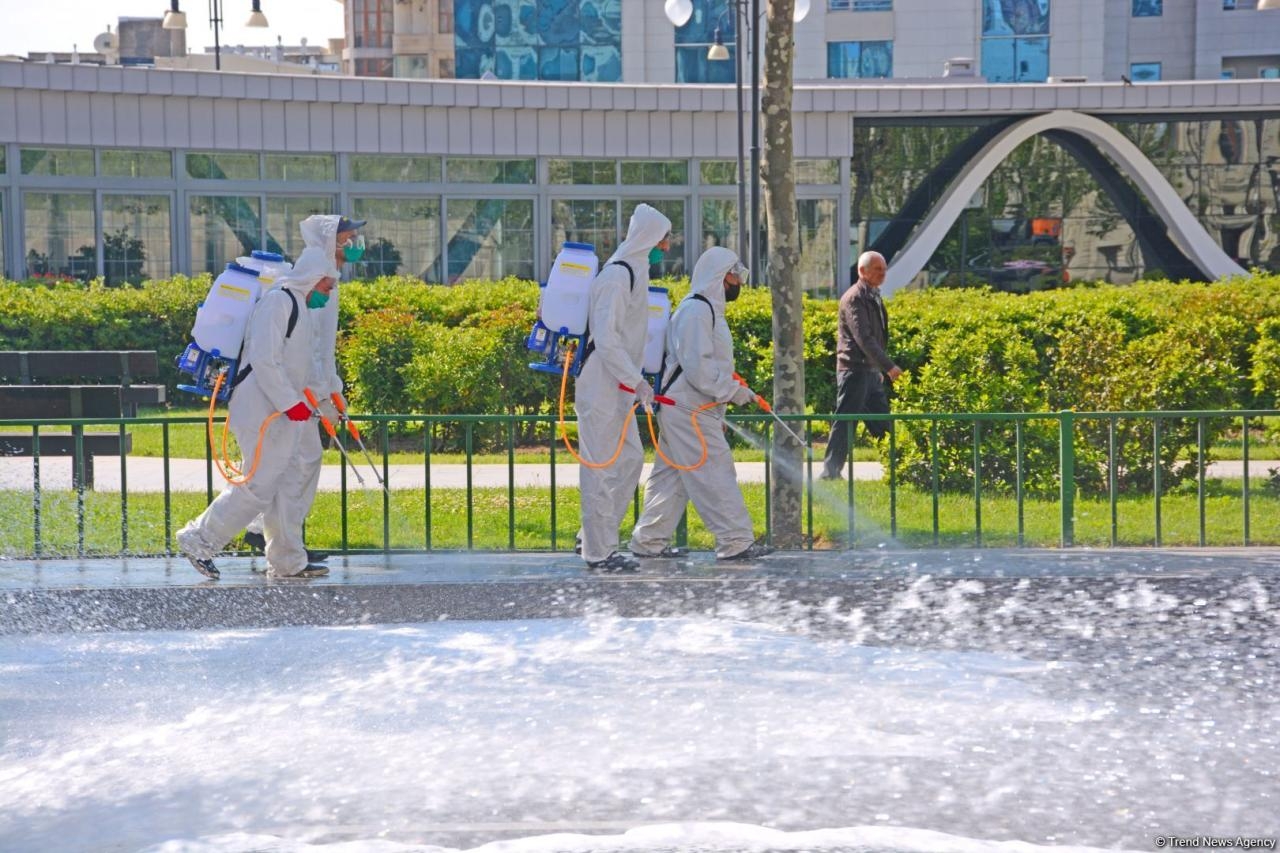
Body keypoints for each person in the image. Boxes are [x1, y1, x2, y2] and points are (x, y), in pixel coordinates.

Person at [177, 247, 338, 580]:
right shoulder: (278, 303)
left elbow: (302, 370)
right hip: (260, 410)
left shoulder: (301, 309)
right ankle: (198, 539)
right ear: (311, 279)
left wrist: (325, 402)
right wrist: (288, 403)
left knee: (287, 484)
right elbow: (265, 359)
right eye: (327, 285)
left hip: (280, 411)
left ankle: (288, 560)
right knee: (259, 484)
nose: (330, 292)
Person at [629, 247, 773, 561]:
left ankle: (648, 541)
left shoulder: (704, 309)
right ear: (722, 276)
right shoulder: (696, 311)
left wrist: (723, 397)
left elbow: (707, 364)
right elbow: (699, 368)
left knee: (673, 477)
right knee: (714, 470)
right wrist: (731, 391)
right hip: (688, 411)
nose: (739, 282)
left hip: (689, 408)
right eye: (736, 275)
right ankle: (735, 542)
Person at [242, 215, 364, 558]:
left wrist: (332, 387)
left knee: (296, 464)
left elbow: (324, 346)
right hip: (298, 393)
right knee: (295, 465)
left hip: (308, 391)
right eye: (349, 239)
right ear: (331, 241)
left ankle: (280, 541)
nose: (355, 246)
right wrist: (322, 390)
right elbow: (308, 347)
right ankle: (274, 540)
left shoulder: (325, 277)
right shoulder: (313, 278)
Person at [575, 203, 673, 573]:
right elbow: (607, 339)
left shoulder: (634, 272)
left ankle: (593, 535)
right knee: (599, 466)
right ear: (647, 237)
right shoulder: (617, 277)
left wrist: (635, 384)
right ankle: (598, 552)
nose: (666, 247)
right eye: (663, 239)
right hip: (602, 382)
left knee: (630, 460)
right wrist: (636, 381)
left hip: (617, 384)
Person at [820, 250, 904, 481]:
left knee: (881, 422)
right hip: (854, 370)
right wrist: (889, 367)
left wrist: (876, 369)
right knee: (845, 422)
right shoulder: (855, 298)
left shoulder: (873, 296)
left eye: (884, 269)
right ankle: (830, 473)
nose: (883, 274)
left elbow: (877, 337)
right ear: (862, 271)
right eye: (877, 269)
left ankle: (898, 468)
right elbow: (864, 338)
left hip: (868, 371)